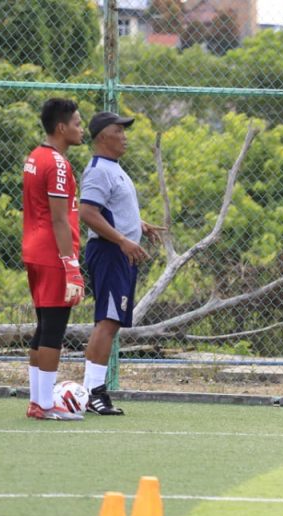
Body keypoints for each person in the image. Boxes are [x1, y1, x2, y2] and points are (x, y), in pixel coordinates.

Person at [78, 112, 165, 415]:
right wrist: (122, 240)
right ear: (103, 136)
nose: (125, 135)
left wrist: (137, 225)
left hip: (120, 252)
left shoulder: (114, 169)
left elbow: (110, 209)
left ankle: (92, 390)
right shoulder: (99, 170)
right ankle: (92, 392)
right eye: (119, 130)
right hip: (110, 253)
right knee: (108, 320)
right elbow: (88, 212)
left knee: (111, 322)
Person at [22, 98, 85, 420]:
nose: (81, 129)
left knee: (44, 325)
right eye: (77, 123)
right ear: (61, 128)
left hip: (35, 250)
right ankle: (45, 405)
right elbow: (60, 219)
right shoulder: (57, 163)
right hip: (52, 254)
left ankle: (37, 401)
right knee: (54, 329)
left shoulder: (35, 156)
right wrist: (71, 265)